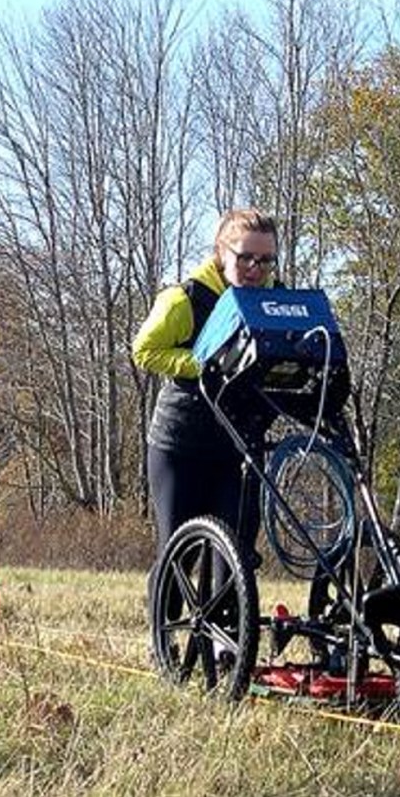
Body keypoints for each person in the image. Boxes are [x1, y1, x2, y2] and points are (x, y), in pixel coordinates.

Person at [132, 208, 279, 567]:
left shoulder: (275, 299)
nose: (255, 270)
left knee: (233, 560)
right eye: (245, 257)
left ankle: (228, 625)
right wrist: (205, 365)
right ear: (220, 251)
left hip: (240, 445)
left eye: (266, 261)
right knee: (178, 557)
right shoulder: (186, 299)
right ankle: (162, 622)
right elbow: (145, 351)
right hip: (182, 444)